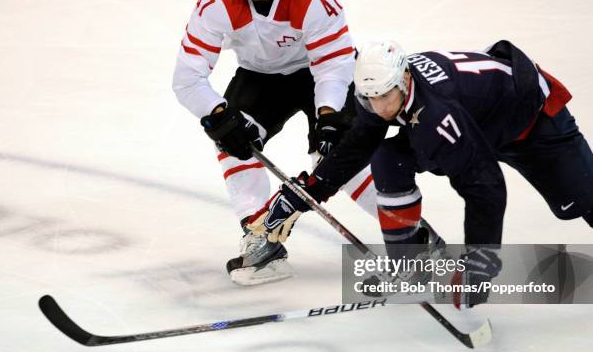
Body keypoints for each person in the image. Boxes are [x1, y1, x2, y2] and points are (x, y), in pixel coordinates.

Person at [249, 39, 593, 308]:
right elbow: (358, 145)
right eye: (371, 99)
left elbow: (486, 188)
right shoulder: (380, 91)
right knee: (387, 157)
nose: (380, 107)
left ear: (405, 78)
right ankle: (412, 266)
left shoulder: (436, 115)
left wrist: (480, 263)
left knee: (581, 201)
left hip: (533, 124)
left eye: (386, 96)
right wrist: (308, 192)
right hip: (478, 118)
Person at [172, 0, 378, 286]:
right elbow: (186, 79)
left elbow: (334, 63)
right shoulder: (216, 2)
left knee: (339, 159)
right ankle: (261, 237)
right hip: (261, 77)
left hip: (320, 73)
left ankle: (412, 232)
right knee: (233, 141)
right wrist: (217, 115)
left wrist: (329, 116)